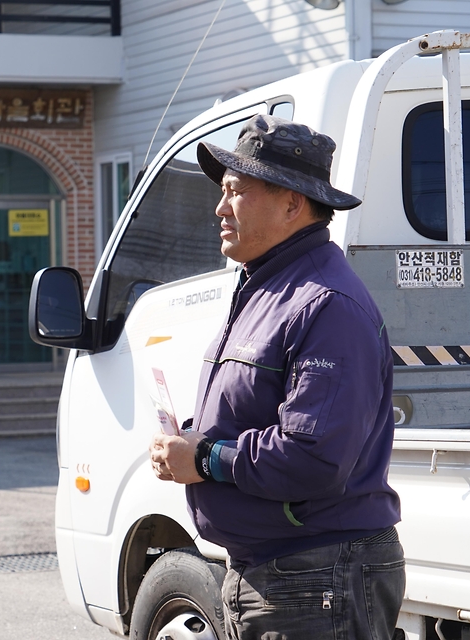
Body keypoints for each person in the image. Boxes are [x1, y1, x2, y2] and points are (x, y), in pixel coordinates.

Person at [149, 115, 404, 640]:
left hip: (317, 576)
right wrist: (192, 440)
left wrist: (205, 457)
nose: (220, 208)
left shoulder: (325, 303)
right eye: (222, 192)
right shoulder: (268, 287)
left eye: (236, 191)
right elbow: (256, 409)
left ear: (292, 204)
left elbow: (313, 458)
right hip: (289, 574)